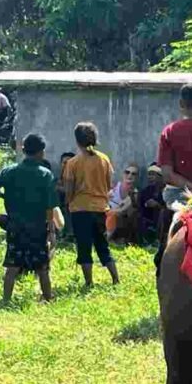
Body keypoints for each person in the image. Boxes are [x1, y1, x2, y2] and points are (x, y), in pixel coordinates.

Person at [0, 132, 58, 302]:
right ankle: (48, 298)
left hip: (15, 226)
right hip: (37, 228)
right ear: (41, 152)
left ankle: (6, 300)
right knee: (42, 267)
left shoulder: (10, 171)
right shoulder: (45, 174)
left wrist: (5, 196)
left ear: (24, 150)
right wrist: (51, 229)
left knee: (12, 266)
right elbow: (50, 206)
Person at [61, 122, 120, 287]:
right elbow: (108, 185)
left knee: (84, 247)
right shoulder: (104, 159)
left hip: (80, 209)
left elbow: (69, 189)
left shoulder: (73, 163)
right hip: (100, 208)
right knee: (102, 245)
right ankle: (115, 279)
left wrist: (67, 203)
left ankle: (89, 282)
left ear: (77, 140)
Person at [106, 163, 140, 242]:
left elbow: (123, 210)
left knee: (113, 215)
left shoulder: (134, 193)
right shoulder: (114, 186)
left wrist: (112, 211)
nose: (129, 175)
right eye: (127, 172)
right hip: (107, 210)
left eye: (133, 174)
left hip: (117, 216)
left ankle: (107, 238)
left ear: (137, 177)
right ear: (123, 174)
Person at [139, 163, 165, 242]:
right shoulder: (146, 191)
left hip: (161, 220)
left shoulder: (167, 191)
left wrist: (158, 205)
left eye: (153, 174)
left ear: (160, 176)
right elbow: (140, 205)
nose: (150, 177)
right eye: (149, 174)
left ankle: (159, 239)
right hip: (147, 218)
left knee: (162, 212)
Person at [55, 152, 75, 238]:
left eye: (70, 163)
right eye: (64, 163)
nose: (67, 165)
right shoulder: (56, 179)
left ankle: (70, 233)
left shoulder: (79, 179)